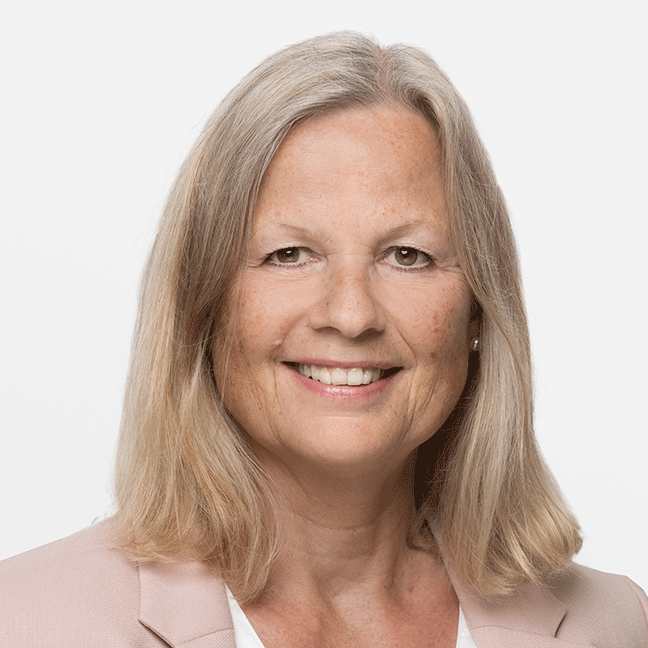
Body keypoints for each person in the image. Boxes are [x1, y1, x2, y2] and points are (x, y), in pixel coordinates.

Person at [1, 31, 646, 648]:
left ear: (478, 310)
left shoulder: (620, 625)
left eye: (407, 255)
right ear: (203, 303)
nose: (351, 314)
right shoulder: (22, 622)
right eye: (288, 254)